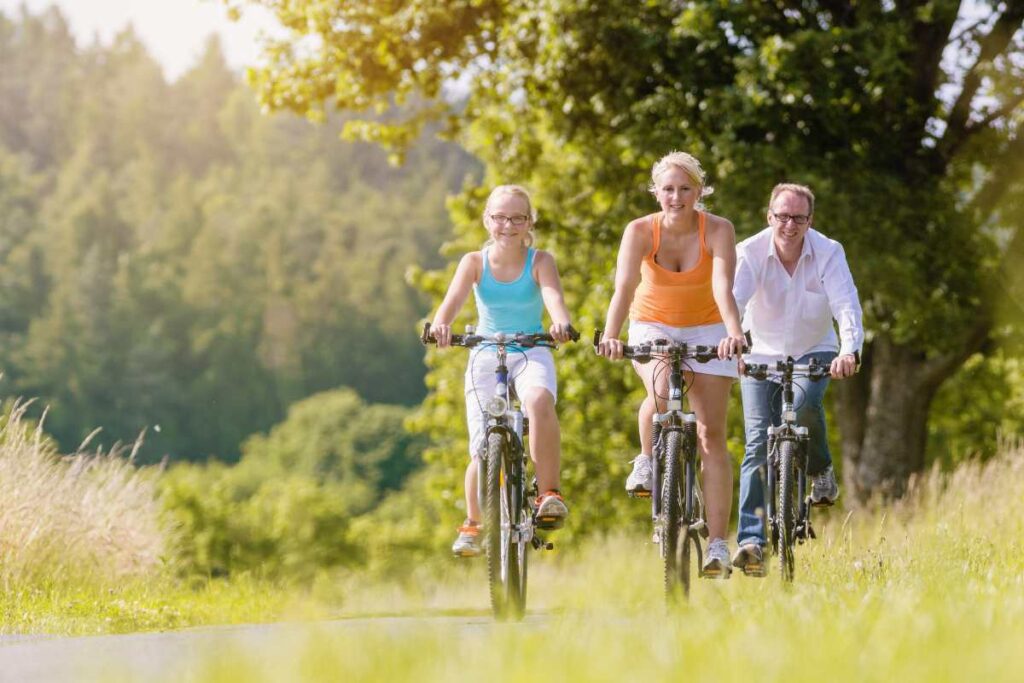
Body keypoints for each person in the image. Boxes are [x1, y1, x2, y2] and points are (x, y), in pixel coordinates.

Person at [597, 151, 745, 577]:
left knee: (711, 434)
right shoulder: (640, 230)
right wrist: (611, 334)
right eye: (668, 189)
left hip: (707, 327)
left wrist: (733, 333)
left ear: (699, 191)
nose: (676, 197)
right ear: (656, 192)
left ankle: (717, 543)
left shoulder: (718, 230)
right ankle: (646, 459)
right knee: (660, 388)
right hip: (652, 322)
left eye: (685, 189)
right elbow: (623, 286)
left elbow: (722, 287)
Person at [430, 184, 575, 558]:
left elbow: (553, 298)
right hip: (485, 351)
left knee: (539, 401)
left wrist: (560, 323)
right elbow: (452, 302)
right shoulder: (474, 262)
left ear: (529, 222)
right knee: (482, 446)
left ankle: (548, 493)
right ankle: (474, 522)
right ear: (487, 220)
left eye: (517, 218)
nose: (508, 225)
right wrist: (441, 325)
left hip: (531, 349)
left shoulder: (540, 261)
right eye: (500, 217)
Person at [731, 182, 864, 577]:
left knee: (806, 405)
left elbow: (846, 305)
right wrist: (731, 343)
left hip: (815, 350)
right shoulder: (749, 252)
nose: (789, 225)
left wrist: (849, 351)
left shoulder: (829, 251)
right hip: (759, 354)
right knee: (757, 442)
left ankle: (820, 468)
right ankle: (751, 539)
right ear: (769, 216)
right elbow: (733, 303)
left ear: (810, 220)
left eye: (798, 218)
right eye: (782, 216)